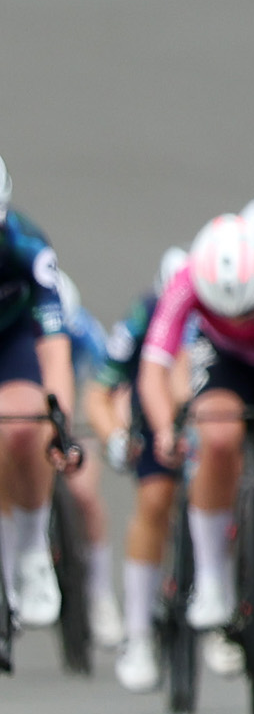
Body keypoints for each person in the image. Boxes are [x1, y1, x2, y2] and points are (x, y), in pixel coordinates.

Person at [138, 209, 254, 664]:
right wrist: (165, 429)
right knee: (218, 436)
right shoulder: (187, 279)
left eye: (249, 311)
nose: (241, 322)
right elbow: (153, 368)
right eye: (229, 314)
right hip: (225, 364)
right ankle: (212, 576)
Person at [90, 246, 190, 690]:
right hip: (155, 413)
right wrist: (115, 434)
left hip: (208, 409)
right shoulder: (144, 314)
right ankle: (138, 633)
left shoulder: (219, 314)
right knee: (153, 501)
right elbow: (101, 390)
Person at [0, 154, 77, 631]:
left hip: (11, 341)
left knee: (24, 425)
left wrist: (59, 421)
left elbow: (54, 348)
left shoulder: (26, 245)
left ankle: (31, 547)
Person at [52, 269, 126, 648]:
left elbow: (109, 388)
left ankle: (100, 595)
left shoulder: (84, 330)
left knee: (84, 495)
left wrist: (113, 430)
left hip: (75, 405)